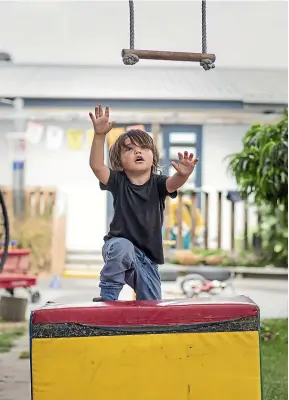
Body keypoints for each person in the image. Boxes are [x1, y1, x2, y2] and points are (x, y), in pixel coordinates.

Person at [89, 105, 198, 301]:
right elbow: (97, 166)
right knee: (123, 247)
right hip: (118, 248)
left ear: (153, 157)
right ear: (120, 162)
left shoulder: (158, 183)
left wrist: (183, 174)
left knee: (152, 305)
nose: (137, 152)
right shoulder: (118, 181)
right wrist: (99, 136)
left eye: (143, 148)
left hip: (147, 259)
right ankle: (108, 297)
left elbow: (173, 184)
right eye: (129, 149)